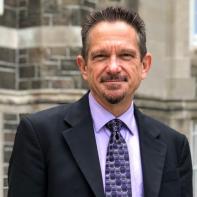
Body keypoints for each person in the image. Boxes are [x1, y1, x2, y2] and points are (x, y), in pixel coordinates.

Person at [8, 6, 193, 197]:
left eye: (125, 55)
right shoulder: (39, 136)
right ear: (84, 66)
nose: (113, 67)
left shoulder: (174, 146)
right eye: (101, 56)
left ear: (144, 65)